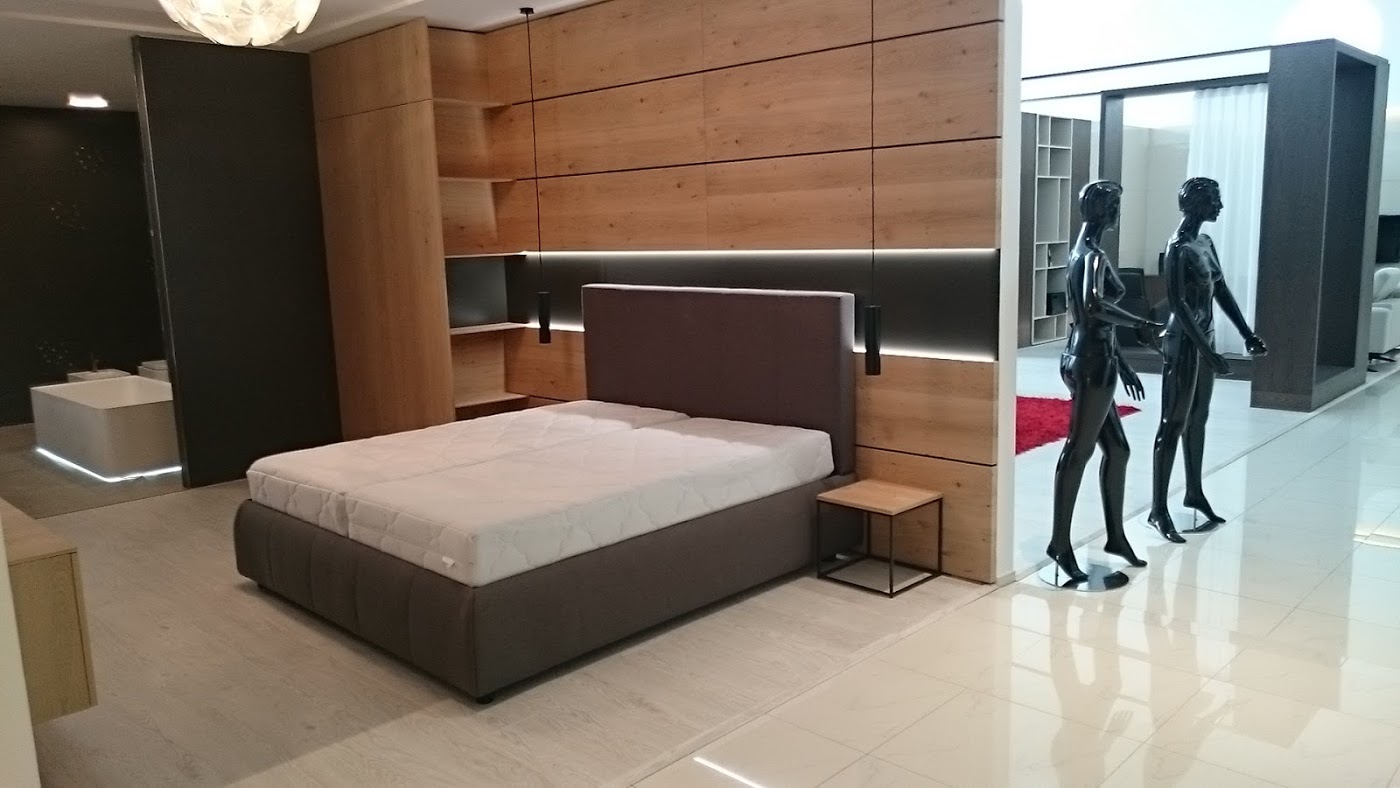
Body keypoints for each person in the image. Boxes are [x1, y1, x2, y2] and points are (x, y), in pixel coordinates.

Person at [1047, 180, 1161, 582]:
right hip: (1091, 362)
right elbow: (1094, 307)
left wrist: (1123, 364)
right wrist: (1141, 323)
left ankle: (1115, 536)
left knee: (1118, 450)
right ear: (1102, 210)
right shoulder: (1092, 255)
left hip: (1092, 357)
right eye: (1114, 206)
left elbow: (1089, 314)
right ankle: (1059, 543)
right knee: (1079, 449)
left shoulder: (1082, 252)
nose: (1117, 213)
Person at [1147, 177, 1268, 543]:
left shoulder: (1205, 243)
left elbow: (1221, 290)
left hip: (1204, 339)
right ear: (1198, 203)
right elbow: (1178, 305)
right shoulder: (1177, 248)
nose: (1220, 206)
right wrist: (1207, 351)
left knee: (1198, 419)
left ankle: (1194, 492)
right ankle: (1157, 509)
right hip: (1183, 343)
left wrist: (1246, 334)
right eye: (1215, 199)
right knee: (1173, 423)